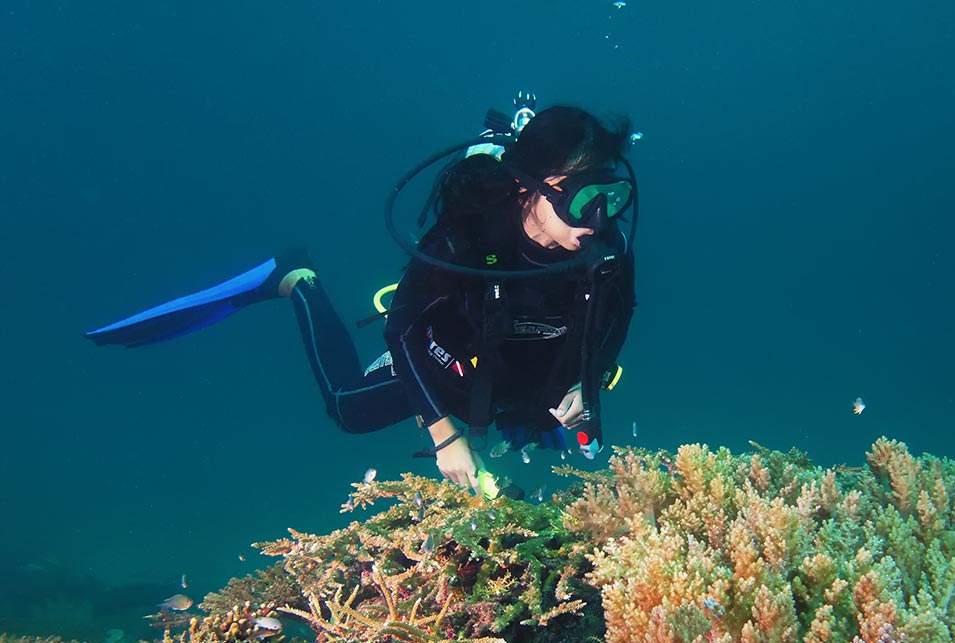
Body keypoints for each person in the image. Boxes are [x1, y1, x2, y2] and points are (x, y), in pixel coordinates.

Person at [85, 103, 637, 496]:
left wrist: (584, 385)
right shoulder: (468, 234)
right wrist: (443, 434)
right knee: (348, 410)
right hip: (446, 354)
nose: (598, 219)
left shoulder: (605, 249)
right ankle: (295, 280)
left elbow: (616, 318)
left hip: (521, 368)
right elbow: (401, 329)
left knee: (534, 426)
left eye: (610, 197)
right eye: (581, 198)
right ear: (525, 187)